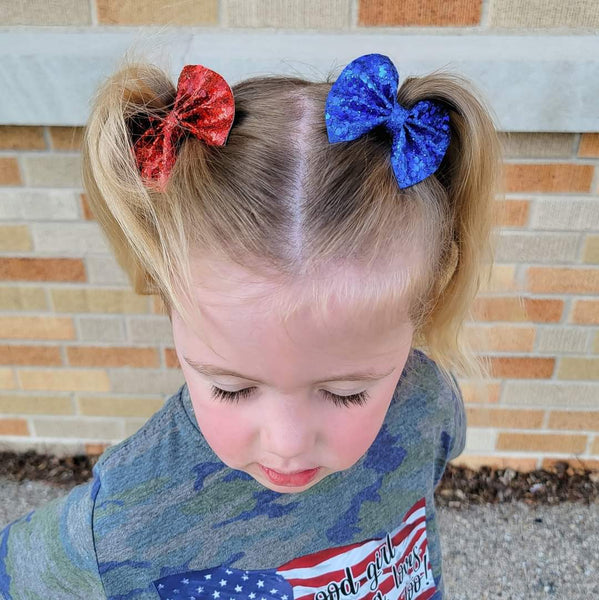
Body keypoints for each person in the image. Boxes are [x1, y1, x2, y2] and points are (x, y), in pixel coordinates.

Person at [0, 51, 503, 599]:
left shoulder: (425, 401)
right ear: (169, 304)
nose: (287, 446)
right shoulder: (119, 522)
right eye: (232, 388)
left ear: (424, 305)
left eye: (347, 394)